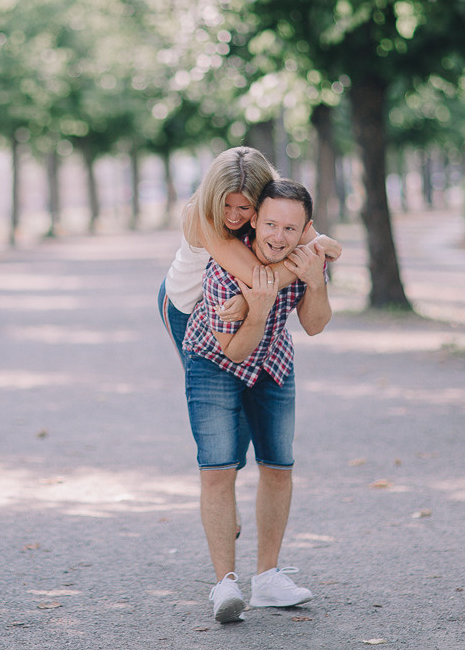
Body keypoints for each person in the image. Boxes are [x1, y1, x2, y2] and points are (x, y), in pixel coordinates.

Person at [182, 179, 331, 623]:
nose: (278, 237)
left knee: (279, 467)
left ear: (305, 229)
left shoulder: (305, 255)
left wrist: (314, 279)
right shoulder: (226, 268)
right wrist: (260, 308)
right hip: (215, 361)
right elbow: (235, 352)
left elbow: (316, 324)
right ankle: (225, 585)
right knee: (218, 469)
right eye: (270, 224)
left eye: (291, 228)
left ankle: (267, 578)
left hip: (273, 362)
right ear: (255, 220)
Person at [156, 147, 340, 475]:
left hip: (232, 297)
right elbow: (263, 276)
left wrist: (249, 297)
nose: (233, 216)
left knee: (240, 395)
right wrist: (254, 292)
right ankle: (224, 477)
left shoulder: (274, 202)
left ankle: (227, 473)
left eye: (244, 207)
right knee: (214, 391)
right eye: (225, 204)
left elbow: (328, 246)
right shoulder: (199, 214)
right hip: (185, 306)